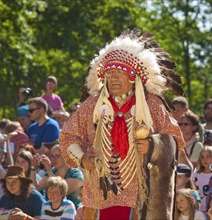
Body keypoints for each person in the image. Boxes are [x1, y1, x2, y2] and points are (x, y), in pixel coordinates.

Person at [59, 28, 185, 219]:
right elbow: (68, 137)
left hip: (141, 196)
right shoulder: (91, 106)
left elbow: (175, 139)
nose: (113, 78)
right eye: (109, 73)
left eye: (120, 72)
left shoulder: (151, 104)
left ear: (133, 76)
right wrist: (82, 158)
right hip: (99, 194)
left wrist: (154, 145)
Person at [191, 146, 212, 212]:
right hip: (197, 209)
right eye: (202, 157)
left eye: (208, 156)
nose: (205, 159)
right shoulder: (195, 174)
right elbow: (192, 190)